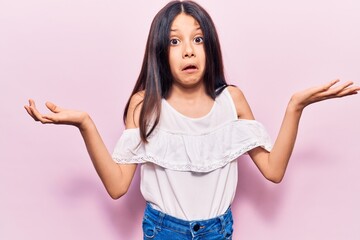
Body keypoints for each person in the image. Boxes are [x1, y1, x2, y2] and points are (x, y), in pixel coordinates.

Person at [24, 1, 359, 239]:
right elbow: (116, 187)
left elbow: (273, 171)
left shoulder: (232, 100)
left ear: (209, 47)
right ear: (159, 51)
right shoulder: (145, 106)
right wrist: (85, 123)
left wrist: (295, 107)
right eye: (174, 41)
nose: (188, 50)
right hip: (163, 231)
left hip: (218, 231)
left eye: (198, 39)